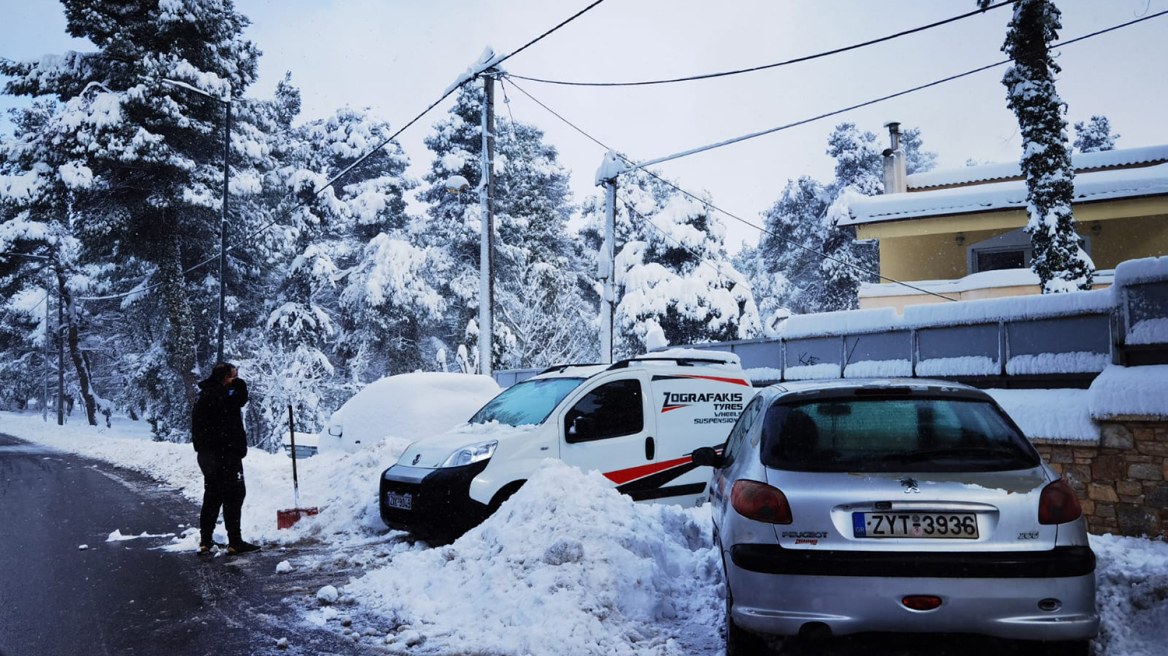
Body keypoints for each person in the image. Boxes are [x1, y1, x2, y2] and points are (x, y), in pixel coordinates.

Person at [191, 362, 260, 555]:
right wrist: (239, 384)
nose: (236, 380)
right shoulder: (223, 396)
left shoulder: (203, 395)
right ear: (225, 379)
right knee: (234, 496)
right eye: (233, 376)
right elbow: (241, 398)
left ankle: (205, 541)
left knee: (212, 496)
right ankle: (235, 542)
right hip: (226, 456)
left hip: (206, 456)